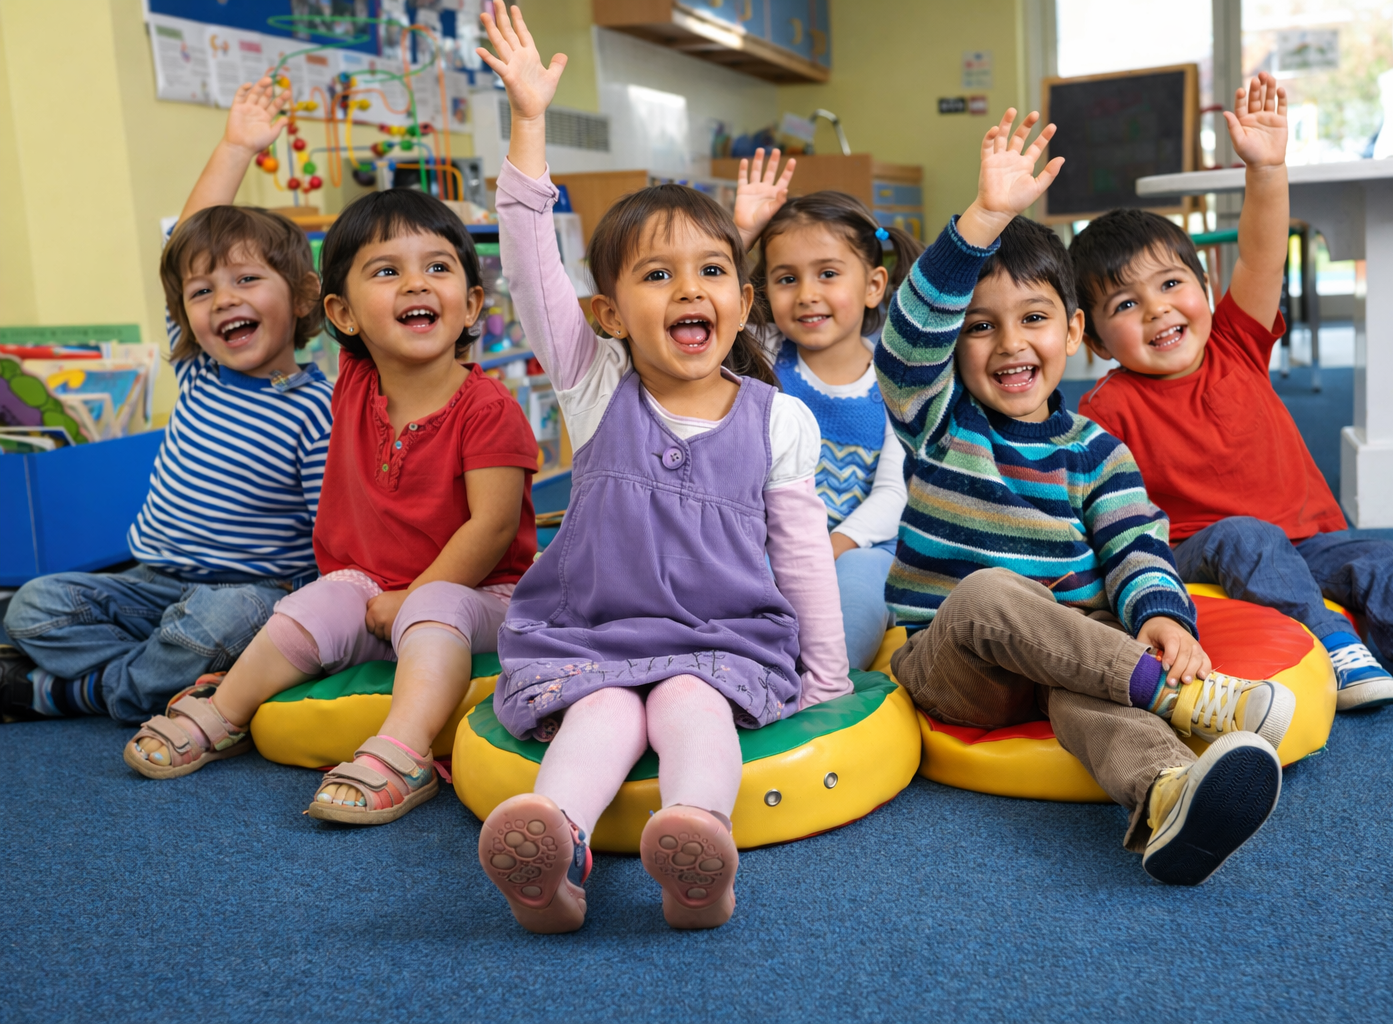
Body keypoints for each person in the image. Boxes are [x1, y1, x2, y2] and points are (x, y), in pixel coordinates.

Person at [475, 1, 851, 933]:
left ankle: (695, 849)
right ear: (608, 315)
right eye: (656, 276)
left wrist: (829, 679)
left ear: (743, 301)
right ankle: (551, 850)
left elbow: (801, 554)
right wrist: (529, 123)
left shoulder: (778, 419)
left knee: (692, 704)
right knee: (601, 713)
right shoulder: (593, 386)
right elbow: (529, 264)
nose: (689, 289)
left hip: (721, 639)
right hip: (593, 637)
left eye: (712, 272)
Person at [877, 107, 1293, 886]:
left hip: (1073, 657)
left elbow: (1134, 543)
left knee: (1087, 698)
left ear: (1072, 334)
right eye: (979, 328)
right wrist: (984, 221)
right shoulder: (936, 422)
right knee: (988, 592)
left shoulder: (1096, 450)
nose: (1009, 345)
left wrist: (1163, 617)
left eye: (1033, 320)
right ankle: (1169, 695)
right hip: (957, 659)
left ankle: (1167, 797)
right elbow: (905, 349)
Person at [1073, 73, 1393, 711]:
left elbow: (1262, 258)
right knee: (1247, 536)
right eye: (1127, 303)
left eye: (1171, 284)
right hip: (1206, 550)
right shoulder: (1107, 408)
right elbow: (1094, 503)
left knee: (1386, 556)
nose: (1157, 310)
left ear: (1203, 288)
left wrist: (1267, 168)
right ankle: (1332, 650)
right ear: (1095, 340)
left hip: (1308, 538)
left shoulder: (1236, 341)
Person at [122, 185, 541, 828]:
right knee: (311, 601)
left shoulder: (490, 410)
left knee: (431, 607)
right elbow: (192, 244)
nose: (414, 285)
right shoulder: (351, 382)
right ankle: (224, 711)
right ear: (341, 314)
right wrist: (239, 148)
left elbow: (491, 527)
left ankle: (402, 752)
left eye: (437, 267)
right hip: (370, 590)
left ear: (471, 305)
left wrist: (416, 593)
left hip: (484, 595)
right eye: (386, 271)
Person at [1, 78, 333, 724]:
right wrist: (236, 145)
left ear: (300, 297)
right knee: (31, 605)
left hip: (246, 593)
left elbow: (328, 532)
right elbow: (184, 242)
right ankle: (161, 678)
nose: (223, 299)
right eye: (202, 292)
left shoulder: (316, 407)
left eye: (246, 280)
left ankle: (67, 693)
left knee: (221, 623)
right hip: (148, 581)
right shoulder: (200, 367)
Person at [730, 155, 922, 670]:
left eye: (828, 274)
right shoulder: (762, 356)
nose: (808, 294)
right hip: (769, 538)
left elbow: (892, 492)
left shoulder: (897, 377)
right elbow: (711, 297)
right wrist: (742, 232)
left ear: (874, 286)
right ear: (763, 290)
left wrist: (830, 546)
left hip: (861, 543)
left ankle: (827, 678)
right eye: (786, 279)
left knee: (861, 583)